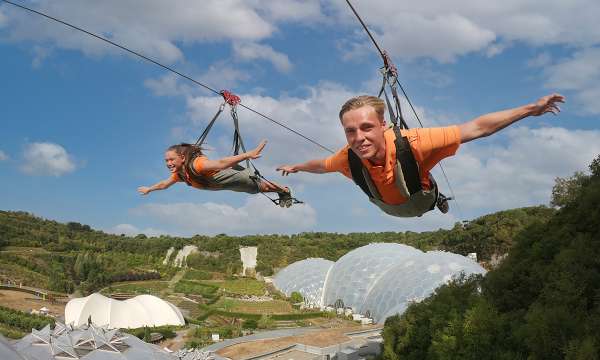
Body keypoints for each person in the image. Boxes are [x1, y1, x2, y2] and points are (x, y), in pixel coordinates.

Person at [277, 93, 565, 217]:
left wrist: (530, 110)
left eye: (366, 128)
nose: (358, 137)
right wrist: (297, 167)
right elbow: (321, 165)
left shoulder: (413, 142)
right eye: (350, 131)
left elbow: (476, 128)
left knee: (420, 181)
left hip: (420, 199)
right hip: (390, 208)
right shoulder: (347, 157)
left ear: (383, 125)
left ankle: (438, 198)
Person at [138, 140, 294, 207]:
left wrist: (248, 155)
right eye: (166, 161)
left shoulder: (198, 165)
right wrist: (149, 189)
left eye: (171, 160)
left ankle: (285, 190)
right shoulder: (180, 174)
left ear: (182, 158)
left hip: (230, 176)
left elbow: (220, 163)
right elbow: (164, 184)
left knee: (261, 188)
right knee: (257, 190)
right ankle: (282, 191)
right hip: (224, 185)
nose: (168, 163)